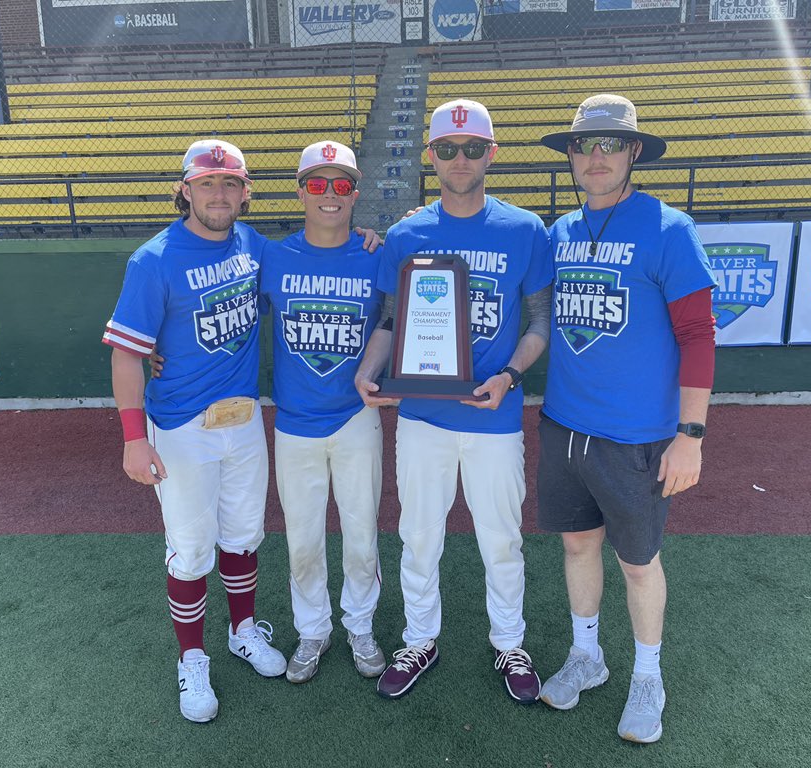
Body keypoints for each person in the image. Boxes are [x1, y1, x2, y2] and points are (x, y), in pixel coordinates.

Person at [354, 99, 553, 703]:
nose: (459, 159)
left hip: (493, 417)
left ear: (491, 154)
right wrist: (369, 372)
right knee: (419, 536)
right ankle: (420, 639)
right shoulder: (408, 234)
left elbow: (539, 320)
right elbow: (390, 318)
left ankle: (508, 642)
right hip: (421, 415)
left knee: (502, 537)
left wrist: (512, 377)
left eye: (471, 149)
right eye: (446, 148)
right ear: (430, 156)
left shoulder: (525, 229)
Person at [535, 94, 716, 742]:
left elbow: (698, 333)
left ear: (634, 152)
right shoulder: (559, 232)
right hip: (564, 426)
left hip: (638, 436)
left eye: (612, 144)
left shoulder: (669, 228)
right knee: (577, 544)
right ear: (573, 156)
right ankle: (589, 656)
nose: (597, 156)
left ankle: (648, 676)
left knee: (638, 563)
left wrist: (690, 436)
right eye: (586, 145)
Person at [102, 140, 287, 723]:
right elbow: (128, 355)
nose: (219, 193)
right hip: (181, 426)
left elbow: (313, 260)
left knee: (244, 534)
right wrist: (135, 436)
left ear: (245, 192)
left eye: (230, 183)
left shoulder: (251, 245)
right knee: (190, 550)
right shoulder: (153, 259)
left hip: (244, 419)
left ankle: (242, 630)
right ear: (186, 187)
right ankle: (192, 659)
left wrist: (373, 239)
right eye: (207, 183)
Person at [259, 142, 386, 683]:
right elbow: (227, 306)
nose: (329, 195)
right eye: (317, 184)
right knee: (303, 539)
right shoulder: (273, 257)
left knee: (362, 536)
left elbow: (397, 318)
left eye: (341, 185)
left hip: (356, 418)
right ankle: (313, 628)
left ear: (355, 193)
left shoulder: (377, 253)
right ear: (300, 191)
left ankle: (360, 623)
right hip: (294, 421)